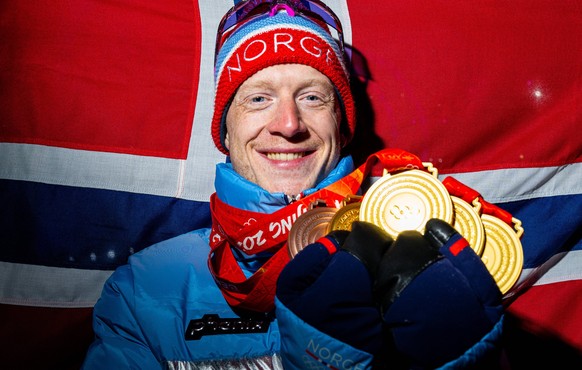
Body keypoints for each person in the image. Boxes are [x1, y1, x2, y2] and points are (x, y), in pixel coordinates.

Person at [82, 1, 505, 369]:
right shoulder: (146, 289)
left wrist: (466, 362)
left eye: (312, 97)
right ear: (225, 132)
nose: (289, 124)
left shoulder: (425, 262)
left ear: (341, 125)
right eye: (259, 98)